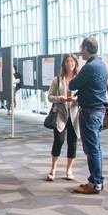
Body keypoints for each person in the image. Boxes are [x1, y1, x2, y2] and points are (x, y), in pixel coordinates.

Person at [68, 37, 108, 194]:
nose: (80, 51)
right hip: (98, 111)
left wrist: (73, 73)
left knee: (91, 148)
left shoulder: (90, 67)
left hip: (90, 112)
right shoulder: (101, 64)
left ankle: (94, 183)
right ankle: (98, 180)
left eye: (81, 48)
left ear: (86, 48)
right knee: (96, 148)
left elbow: (72, 84)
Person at [46, 54, 81, 182]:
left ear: (75, 63)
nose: (69, 64)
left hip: (74, 114)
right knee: (58, 140)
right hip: (60, 113)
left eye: (72, 61)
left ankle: (69, 170)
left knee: (72, 142)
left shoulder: (79, 79)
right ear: (64, 64)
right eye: (67, 61)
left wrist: (76, 99)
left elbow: (84, 96)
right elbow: (49, 97)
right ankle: (53, 168)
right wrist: (60, 98)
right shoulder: (58, 80)